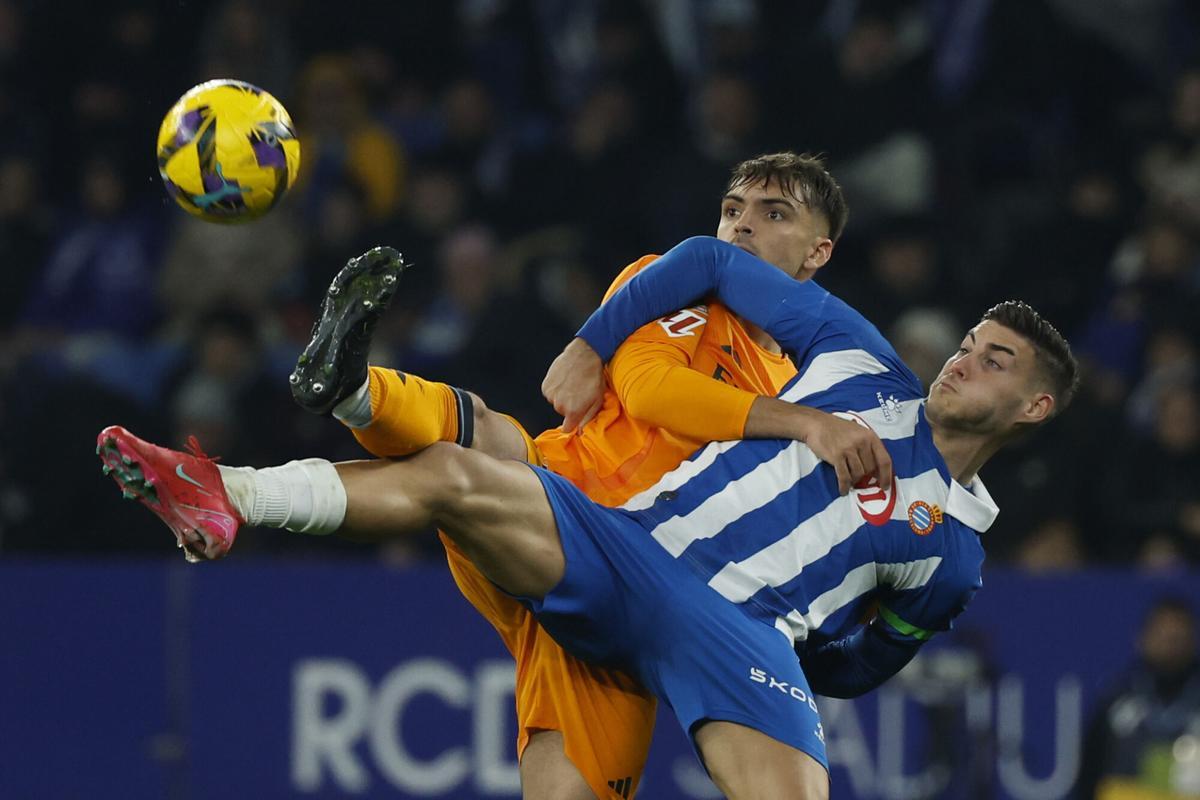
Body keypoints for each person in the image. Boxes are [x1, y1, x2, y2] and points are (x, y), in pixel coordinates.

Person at [98, 236, 1078, 798]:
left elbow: (865, 665)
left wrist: (800, 651)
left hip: (746, 637)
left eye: (997, 361)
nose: (963, 358)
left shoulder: (951, 556)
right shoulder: (859, 362)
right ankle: (222, 487)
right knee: (457, 470)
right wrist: (593, 338)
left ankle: (355, 396)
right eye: (972, 342)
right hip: (634, 547)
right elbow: (706, 259)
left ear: (1035, 410)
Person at [294, 152, 886, 800]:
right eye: (732, 209)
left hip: (623, 600)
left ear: (817, 253)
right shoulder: (672, 287)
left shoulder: (818, 398)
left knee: (475, 445)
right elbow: (652, 390)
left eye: (774, 214)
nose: (742, 226)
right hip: (561, 507)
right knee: (484, 444)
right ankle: (354, 393)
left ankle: (348, 405)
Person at [1076, 597, 1200, 799]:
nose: (1170, 647)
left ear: (1193, 642)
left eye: (1178, 638)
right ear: (1142, 639)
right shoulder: (1115, 702)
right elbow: (1088, 773)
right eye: (1162, 637)